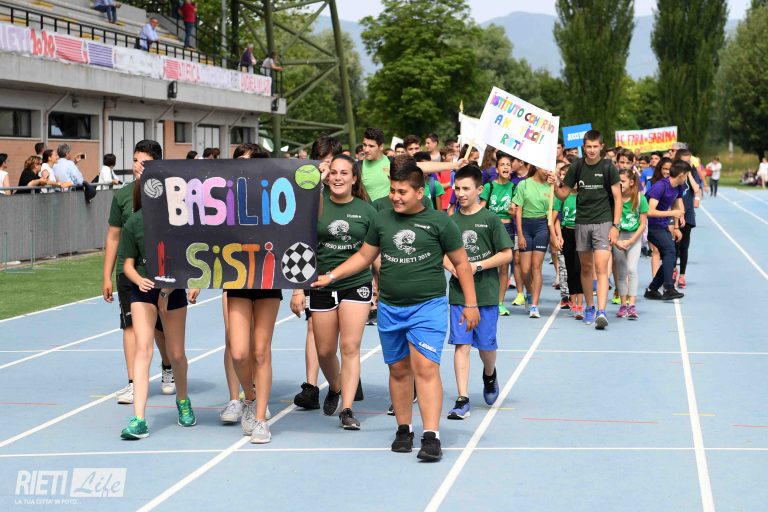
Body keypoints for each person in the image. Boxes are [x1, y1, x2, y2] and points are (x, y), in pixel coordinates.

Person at [312, 155, 479, 462]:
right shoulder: (382, 219)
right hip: (390, 307)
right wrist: (332, 276)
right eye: (392, 190)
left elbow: (461, 264)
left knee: (425, 368)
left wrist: (470, 304)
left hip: (427, 306)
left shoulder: (440, 222)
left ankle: (431, 435)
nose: (395, 197)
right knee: (399, 370)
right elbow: (364, 257)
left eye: (402, 192)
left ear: (419, 192)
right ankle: (404, 429)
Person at [119, 174, 199, 439]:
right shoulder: (134, 222)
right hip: (143, 292)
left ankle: (183, 401)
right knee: (143, 350)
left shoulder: (177, 222)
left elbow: (185, 262)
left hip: (172, 291)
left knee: (176, 354)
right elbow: (128, 264)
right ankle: (139, 418)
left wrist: (167, 289)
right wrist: (138, 279)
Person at [300, 155, 375, 429]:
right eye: (333, 172)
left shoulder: (366, 211)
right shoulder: (315, 204)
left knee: (350, 347)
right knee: (325, 350)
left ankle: (347, 409)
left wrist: (380, 284)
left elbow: (372, 253)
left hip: (356, 284)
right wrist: (298, 289)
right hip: (321, 284)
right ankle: (335, 386)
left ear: (354, 178)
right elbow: (300, 242)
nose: (338, 178)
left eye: (344, 173)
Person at [102, 140, 175, 405]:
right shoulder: (122, 196)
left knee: (160, 328)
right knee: (130, 325)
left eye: (144, 162)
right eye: (135, 160)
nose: (137, 166)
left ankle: (168, 367)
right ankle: (134, 381)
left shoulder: (170, 192)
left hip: (161, 271)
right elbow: (113, 236)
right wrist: (107, 275)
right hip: (129, 272)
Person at [445, 165, 512, 420]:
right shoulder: (450, 221)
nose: (460, 193)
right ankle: (462, 399)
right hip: (459, 295)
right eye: (457, 188)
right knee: (461, 345)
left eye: (466, 188)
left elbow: (506, 254)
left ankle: (489, 374)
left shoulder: (491, 219)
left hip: (485, 292)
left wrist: (478, 265)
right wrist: (452, 267)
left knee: (485, 345)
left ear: (479, 190)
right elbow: (441, 252)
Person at [225, 150, 282, 444]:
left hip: (268, 278)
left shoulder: (274, 197)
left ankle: (260, 420)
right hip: (238, 277)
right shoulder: (228, 197)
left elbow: (302, 220)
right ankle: (250, 396)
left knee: (260, 351)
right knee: (238, 352)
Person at [552, 130, 621, 330]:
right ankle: (589, 307)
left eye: (595, 147)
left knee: (601, 268)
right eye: (588, 147)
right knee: (586, 268)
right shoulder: (576, 167)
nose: (591, 150)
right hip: (581, 223)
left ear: (601, 147)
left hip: (603, 222)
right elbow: (563, 195)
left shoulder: (608, 167)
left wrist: (615, 226)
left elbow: (617, 198)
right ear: (583, 147)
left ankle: (601, 311)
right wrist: (555, 184)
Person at [643, 160, 688, 301]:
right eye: (686, 175)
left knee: (671, 256)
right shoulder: (660, 186)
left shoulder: (678, 187)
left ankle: (652, 289)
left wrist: (676, 227)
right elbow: (649, 211)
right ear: (681, 175)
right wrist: (672, 214)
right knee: (670, 252)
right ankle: (668, 288)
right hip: (650, 224)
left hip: (662, 224)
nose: (686, 178)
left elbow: (676, 206)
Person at [513, 164, 552, 318]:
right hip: (525, 226)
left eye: (549, 169)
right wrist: (520, 235)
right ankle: (529, 292)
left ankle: (534, 305)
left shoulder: (550, 186)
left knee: (536, 267)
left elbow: (553, 210)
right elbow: (518, 211)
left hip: (542, 226)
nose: (547, 172)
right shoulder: (524, 184)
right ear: (537, 167)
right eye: (545, 168)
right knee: (524, 269)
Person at [479, 151, 515, 316]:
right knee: (487, 265)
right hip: (490, 228)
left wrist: (513, 212)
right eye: (502, 165)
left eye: (508, 165)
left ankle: (500, 303)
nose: (505, 167)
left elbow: (516, 211)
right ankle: (485, 298)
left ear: (511, 169)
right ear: (497, 169)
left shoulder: (514, 187)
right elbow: (481, 209)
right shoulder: (489, 187)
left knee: (504, 267)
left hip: (507, 229)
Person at [612, 168, 648, 319]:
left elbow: (643, 224)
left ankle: (632, 305)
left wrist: (632, 240)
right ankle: (623, 305)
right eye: (618, 181)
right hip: (619, 237)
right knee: (621, 273)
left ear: (632, 182)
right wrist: (617, 241)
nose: (620, 184)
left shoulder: (639, 198)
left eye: (623, 181)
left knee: (632, 269)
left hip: (634, 237)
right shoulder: (614, 198)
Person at [552, 161, 583, 319]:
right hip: (567, 233)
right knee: (570, 269)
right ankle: (573, 300)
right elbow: (555, 218)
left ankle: (581, 303)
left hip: (582, 233)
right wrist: (558, 236)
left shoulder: (583, 195)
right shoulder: (562, 196)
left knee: (580, 268)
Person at [674, 150, 703, 289]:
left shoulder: (693, 172)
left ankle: (682, 275)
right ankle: (673, 269)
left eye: (688, 161)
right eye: (684, 161)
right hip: (674, 212)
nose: (686, 163)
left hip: (688, 213)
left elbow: (696, 188)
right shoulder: (674, 172)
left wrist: (689, 172)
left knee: (684, 246)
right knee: (673, 245)